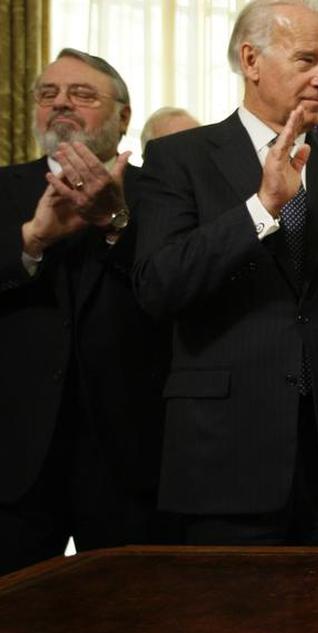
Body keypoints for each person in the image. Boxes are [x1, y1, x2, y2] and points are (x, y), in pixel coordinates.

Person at [132, 0, 318, 546]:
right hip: (224, 459)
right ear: (251, 60)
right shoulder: (180, 159)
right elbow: (158, 285)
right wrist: (261, 206)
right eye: (307, 61)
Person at [0, 49, 169, 575]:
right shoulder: (2, 189)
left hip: (129, 450)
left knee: (132, 612)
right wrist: (31, 240)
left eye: (81, 94)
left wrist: (116, 222)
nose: (61, 105)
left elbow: (171, 288)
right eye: (48, 94)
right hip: (17, 452)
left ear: (123, 116)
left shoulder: (160, 193)